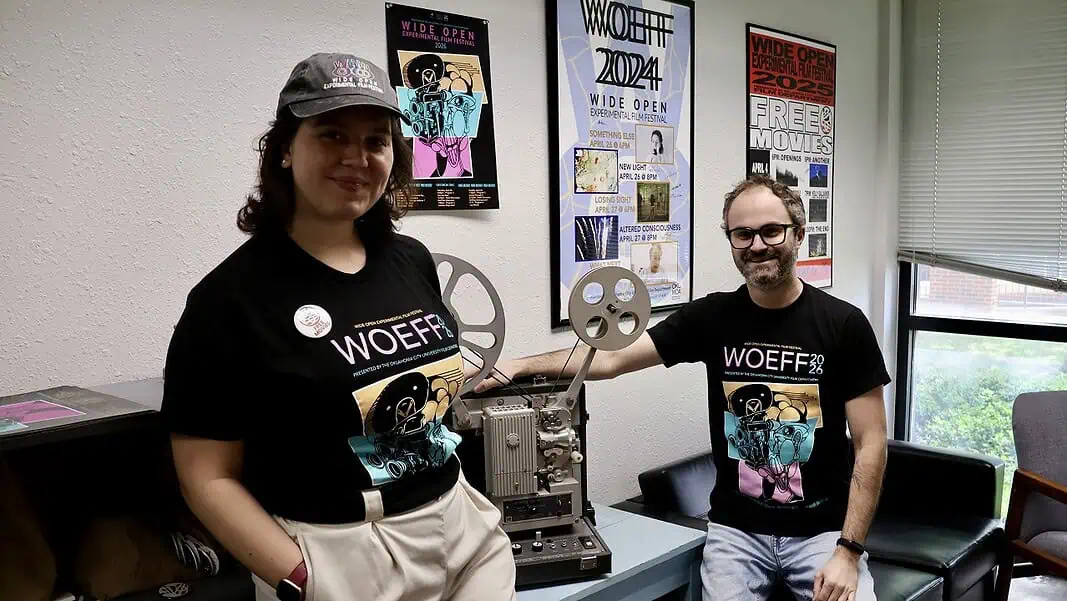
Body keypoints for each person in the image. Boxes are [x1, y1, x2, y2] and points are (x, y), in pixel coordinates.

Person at [160, 53, 516, 601]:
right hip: (343, 555)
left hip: (463, 533)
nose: (358, 157)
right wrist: (301, 576)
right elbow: (207, 477)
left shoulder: (411, 260)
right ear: (283, 150)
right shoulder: (228, 301)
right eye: (331, 135)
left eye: (377, 140)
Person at [475, 175, 889, 601]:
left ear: (798, 234)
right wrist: (520, 366)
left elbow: (870, 441)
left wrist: (849, 550)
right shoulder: (713, 317)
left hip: (822, 534)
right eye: (742, 234)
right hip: (737, 533)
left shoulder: (843, 324)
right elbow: (614, 357)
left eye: (771, 231)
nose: (757, 245)